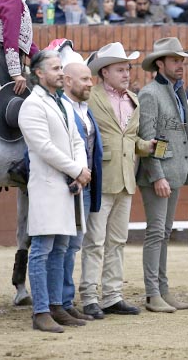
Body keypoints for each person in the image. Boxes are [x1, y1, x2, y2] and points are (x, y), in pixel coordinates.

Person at [80, 42, 155, 319]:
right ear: (105, 72)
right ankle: (88, 296)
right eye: (120, 69)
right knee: (95, 241)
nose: (126, 74)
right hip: (99, 177)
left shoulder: (132, 99)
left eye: (128, 69)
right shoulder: (91, 97)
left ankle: (111, 295)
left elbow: (130, 139)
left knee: (117, 241)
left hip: (125, 178)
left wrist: (145, 146)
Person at [17, 49, 90, 333]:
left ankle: (57, 306)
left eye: (62, 68)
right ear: (39, 73)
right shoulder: (32, 105)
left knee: (60, 248)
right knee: (42, 249)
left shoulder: (60, 103)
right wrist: (76, 170)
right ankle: (41, 311)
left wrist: (80, 171)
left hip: (68, 184)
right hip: (48, 185)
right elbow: (43, 148)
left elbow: (76, 140)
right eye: (56, 68)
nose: (61, 73)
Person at [137, 37, 188, 313]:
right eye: (175, 60)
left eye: (182, 60)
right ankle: (152, 294)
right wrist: (157, 175)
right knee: (156, 232)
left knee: (164, 232)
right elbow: (149, 138)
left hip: (174, 171)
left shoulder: (177, 91)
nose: (180, 65)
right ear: (160, 64)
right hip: (159, 174)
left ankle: (162, 289)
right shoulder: (150, 93)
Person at [61, 61, 103, 322]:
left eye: (90, 79)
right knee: (62, 246)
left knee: (73, 245)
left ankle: (65, 301)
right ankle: (60, 302)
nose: (90, 83)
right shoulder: (61, 108)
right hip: (66, 187)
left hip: (84, 187)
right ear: (68, 80)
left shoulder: (85, 109)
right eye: (85, 79)